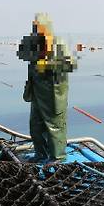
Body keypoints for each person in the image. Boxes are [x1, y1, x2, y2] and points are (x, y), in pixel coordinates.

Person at [17, 13, 77, 162]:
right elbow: (22, 54)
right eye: (35, 28)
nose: (38, 31)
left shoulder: (58, 44)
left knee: (55, 127)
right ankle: (41, 154)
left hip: (53, 94)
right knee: (35, 125)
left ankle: (58, 157)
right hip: (37, 91)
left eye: (40, 28)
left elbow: (69, 65)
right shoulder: (32, 43)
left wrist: (48, 64)